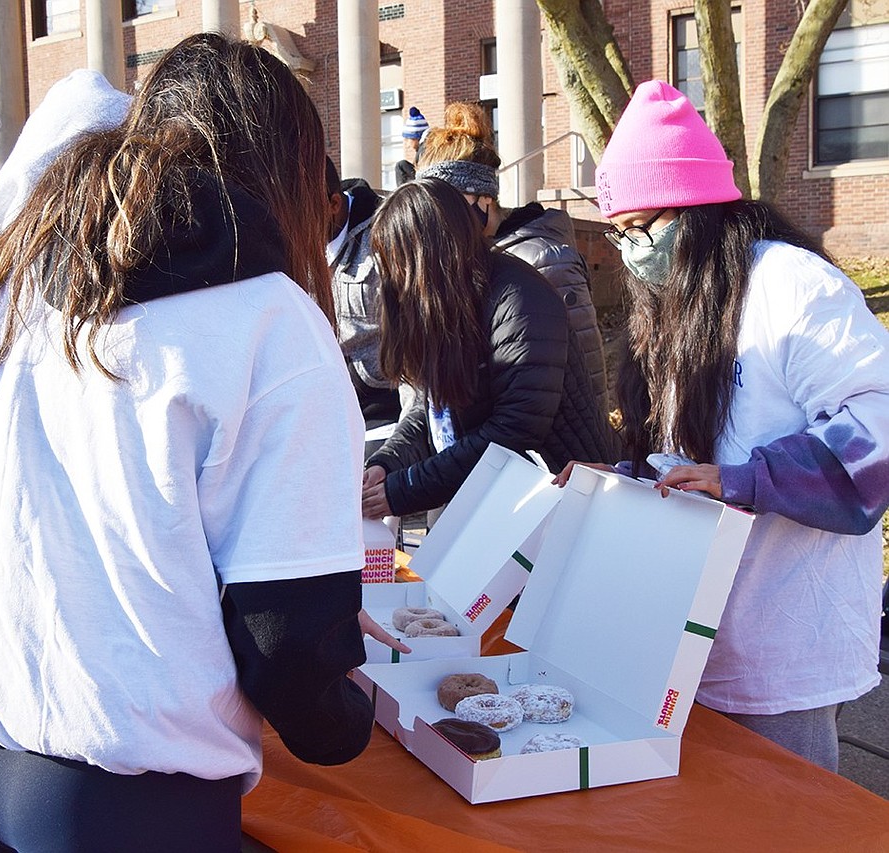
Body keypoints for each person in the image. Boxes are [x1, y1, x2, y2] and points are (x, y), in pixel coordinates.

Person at [0, 35, 374, 850]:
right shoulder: (268, 316)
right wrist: (354, 715)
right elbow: (288, 638)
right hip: (118, 781)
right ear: (287, 172)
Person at [555, 80, 889, 771]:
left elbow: (875, 441)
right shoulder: (676, 304)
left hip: (782, 646)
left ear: (699, 212)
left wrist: (743, 481)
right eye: (617, 235)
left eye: (640, 229)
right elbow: (685, 461)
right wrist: (620, 480)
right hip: (685, 639)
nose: (630, 251)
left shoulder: (794, 288)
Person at [361, 178, 616, 521]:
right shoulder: (449, 301)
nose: (393, 277)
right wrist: (386, 464)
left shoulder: (521, 298)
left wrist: (405, 488)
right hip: (499, 502)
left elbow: (516, 429)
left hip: (561, 500)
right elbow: (431, 409)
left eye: (399, 261)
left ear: (429, 254)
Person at [416, 102, 611, 419]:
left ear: (485, 197)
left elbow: (590, 381)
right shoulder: (460, 261)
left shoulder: (547, 262)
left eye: (446, 205)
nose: (437, 220)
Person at [326, 156, 401, 435]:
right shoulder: (294, 242)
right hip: (326, 410)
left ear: (334, 204)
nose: (292, 224)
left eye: (300, 213)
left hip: (384, 412)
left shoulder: (387, 233)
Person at [394, 105, 429, 186]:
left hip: (424, 181)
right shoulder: (426, 147)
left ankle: (401, 193)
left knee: (401, 165)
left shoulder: (424, 150)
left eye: (408, 139)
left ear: (415, 138)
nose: (407, 145)